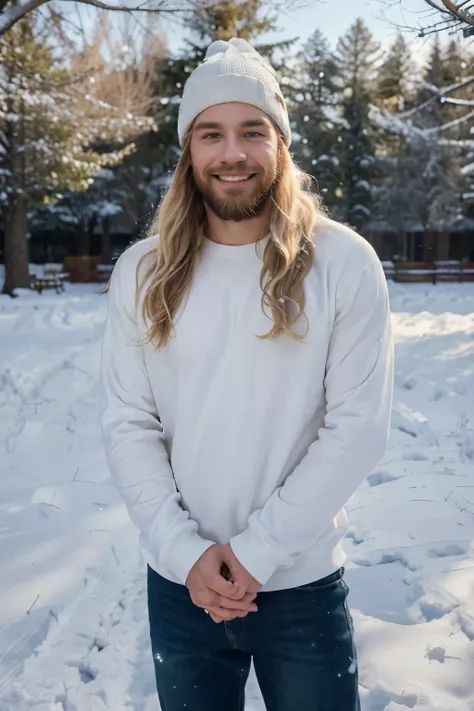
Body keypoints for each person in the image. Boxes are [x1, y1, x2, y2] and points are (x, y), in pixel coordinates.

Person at [99, 37, 394, 711]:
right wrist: (185, 553)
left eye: (251, 131)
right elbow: (128, 423)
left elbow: (358, 429)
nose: (232, 153)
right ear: (189, 151)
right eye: (211, 133)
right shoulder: (141, 274)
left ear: (281, 142)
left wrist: (256, 553)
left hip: (302, 587)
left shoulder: (343, 265)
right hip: (181, 587)